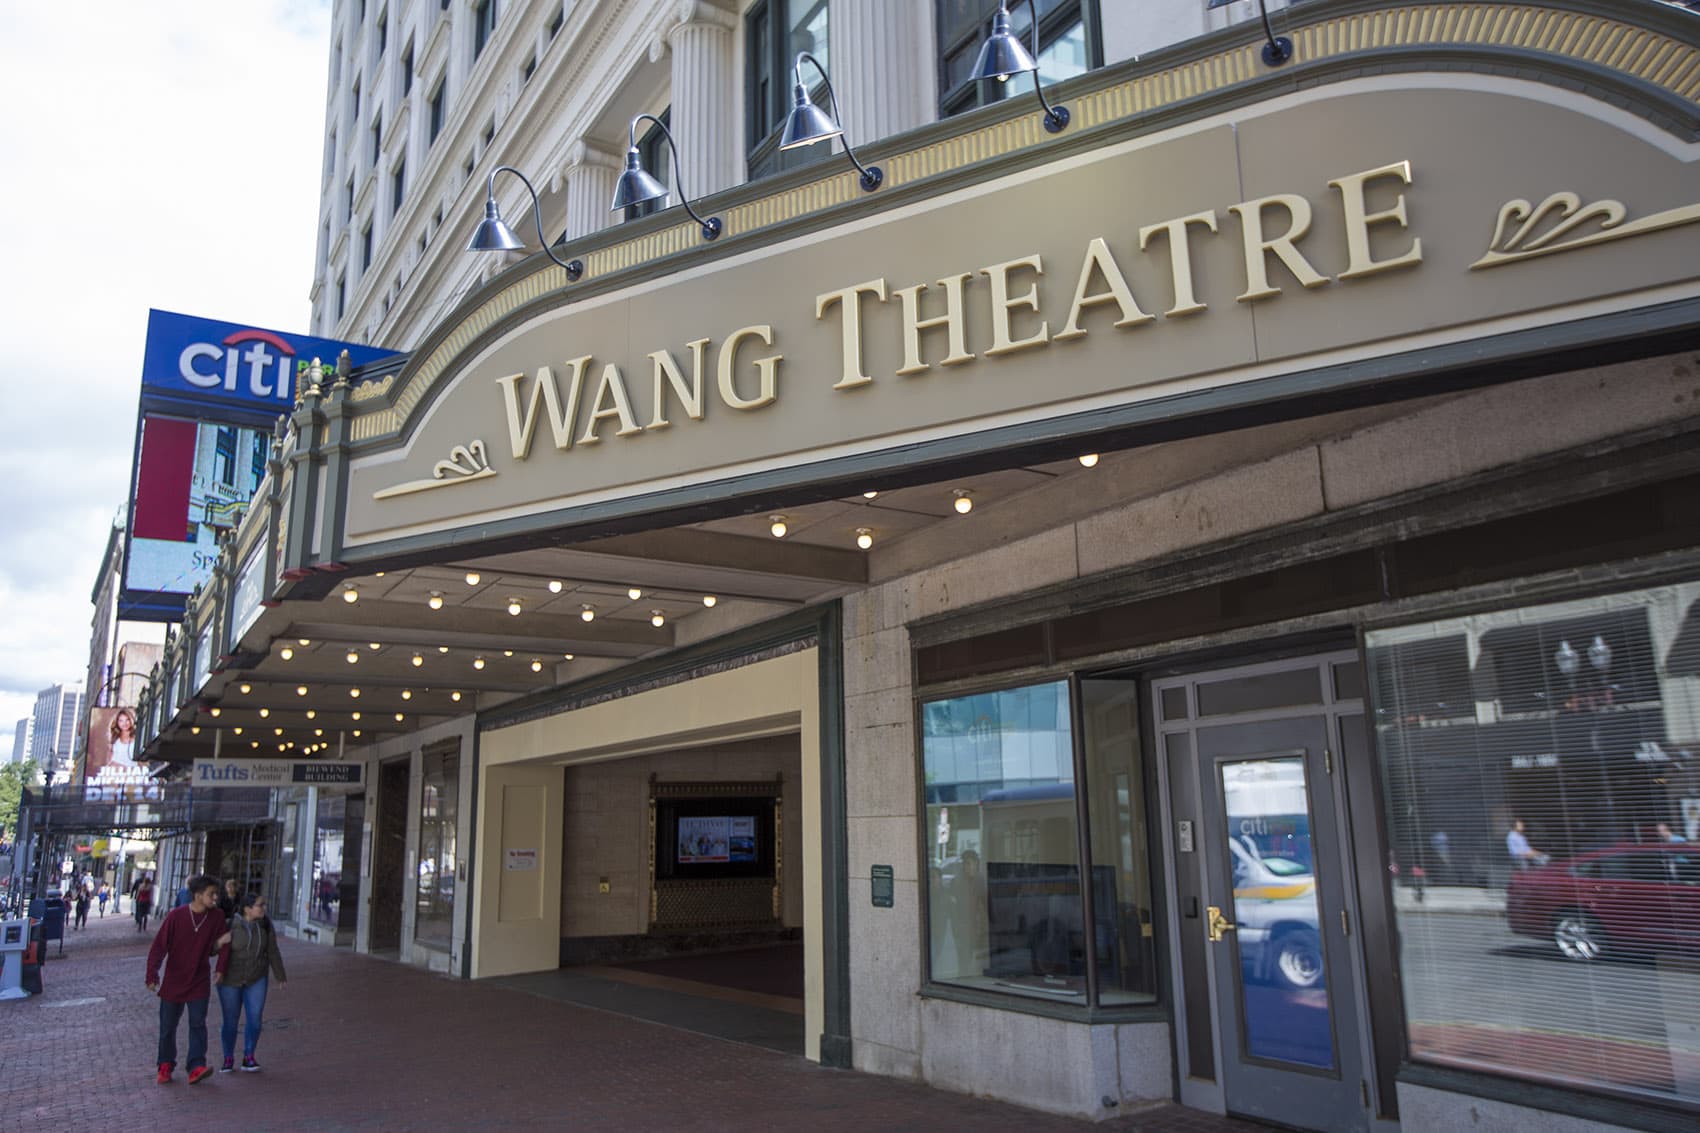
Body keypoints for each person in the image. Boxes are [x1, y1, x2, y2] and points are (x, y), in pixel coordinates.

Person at [144, 874, 229, 1086]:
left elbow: (224, 943)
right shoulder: (176, 916)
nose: (215, 898)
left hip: (199, 979)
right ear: (198, 895)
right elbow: (159, 946)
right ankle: (165, 1064)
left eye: (216, 894)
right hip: (174, 979)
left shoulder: (217, 916)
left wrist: (220, 968)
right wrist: (152, 975)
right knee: (167, 1026)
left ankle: (196, 1065)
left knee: (198, 1023)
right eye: (211, 894)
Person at [215, 893, 287, 1073]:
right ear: (247, 909)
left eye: (264, 905)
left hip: (257, 977)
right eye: (259, 905)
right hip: (230, 979)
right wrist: (218, 943)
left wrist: (280, 974)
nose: (263, 908)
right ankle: (228, 1057)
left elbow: (272, 951)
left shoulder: (265, 925)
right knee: (230, 1021)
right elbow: (212, 949)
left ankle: (249, 1056)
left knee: (255, 1018)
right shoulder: (230, 925)